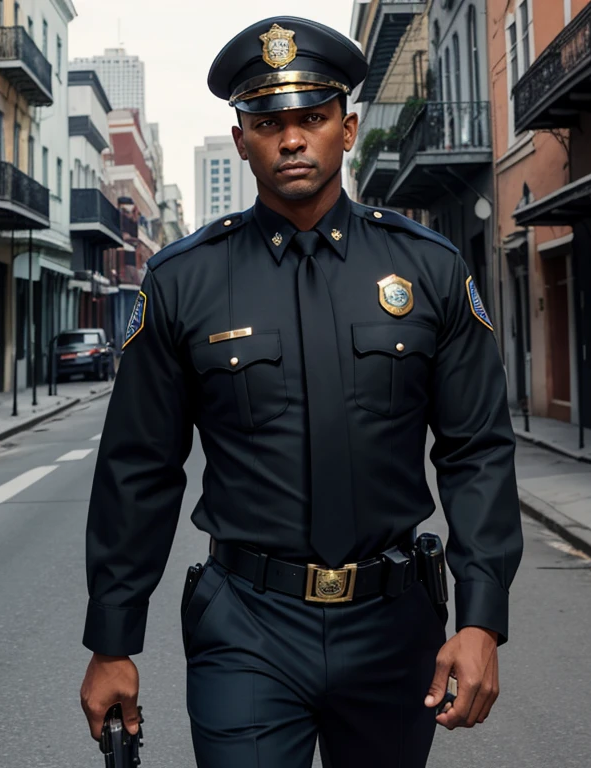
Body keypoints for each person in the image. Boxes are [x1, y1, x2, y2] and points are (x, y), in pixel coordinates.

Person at [80, 16, 523, 768]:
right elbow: (139, 469)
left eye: (312, 119)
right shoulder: (184, 280)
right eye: (268, 122)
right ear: (240, 138)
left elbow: (476, 450)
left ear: (347, 130)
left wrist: (481, 619)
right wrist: (113, 643)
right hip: (246, 627)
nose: (291, 139)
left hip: (393, 629)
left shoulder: (431, 269)